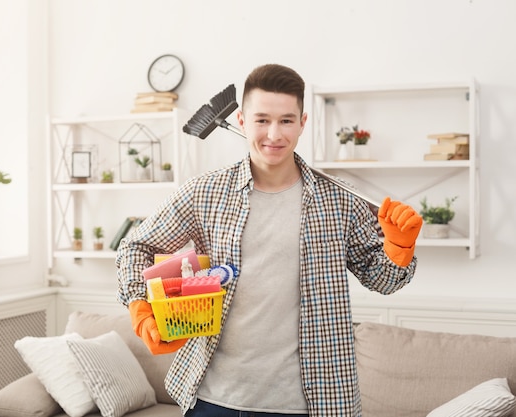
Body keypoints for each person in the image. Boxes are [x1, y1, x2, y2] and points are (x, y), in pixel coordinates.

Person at [116, 64, 422, 417]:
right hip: (214, 399)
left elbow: (382, 280)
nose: (274, 134)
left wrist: (399, 247)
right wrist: (141, 308)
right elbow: (135, 247)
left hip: (312, 404)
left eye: (286, 121)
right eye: (262, 120)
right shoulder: (205, 193)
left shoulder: (340, 199)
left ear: (302, 123)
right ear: (242, 121)